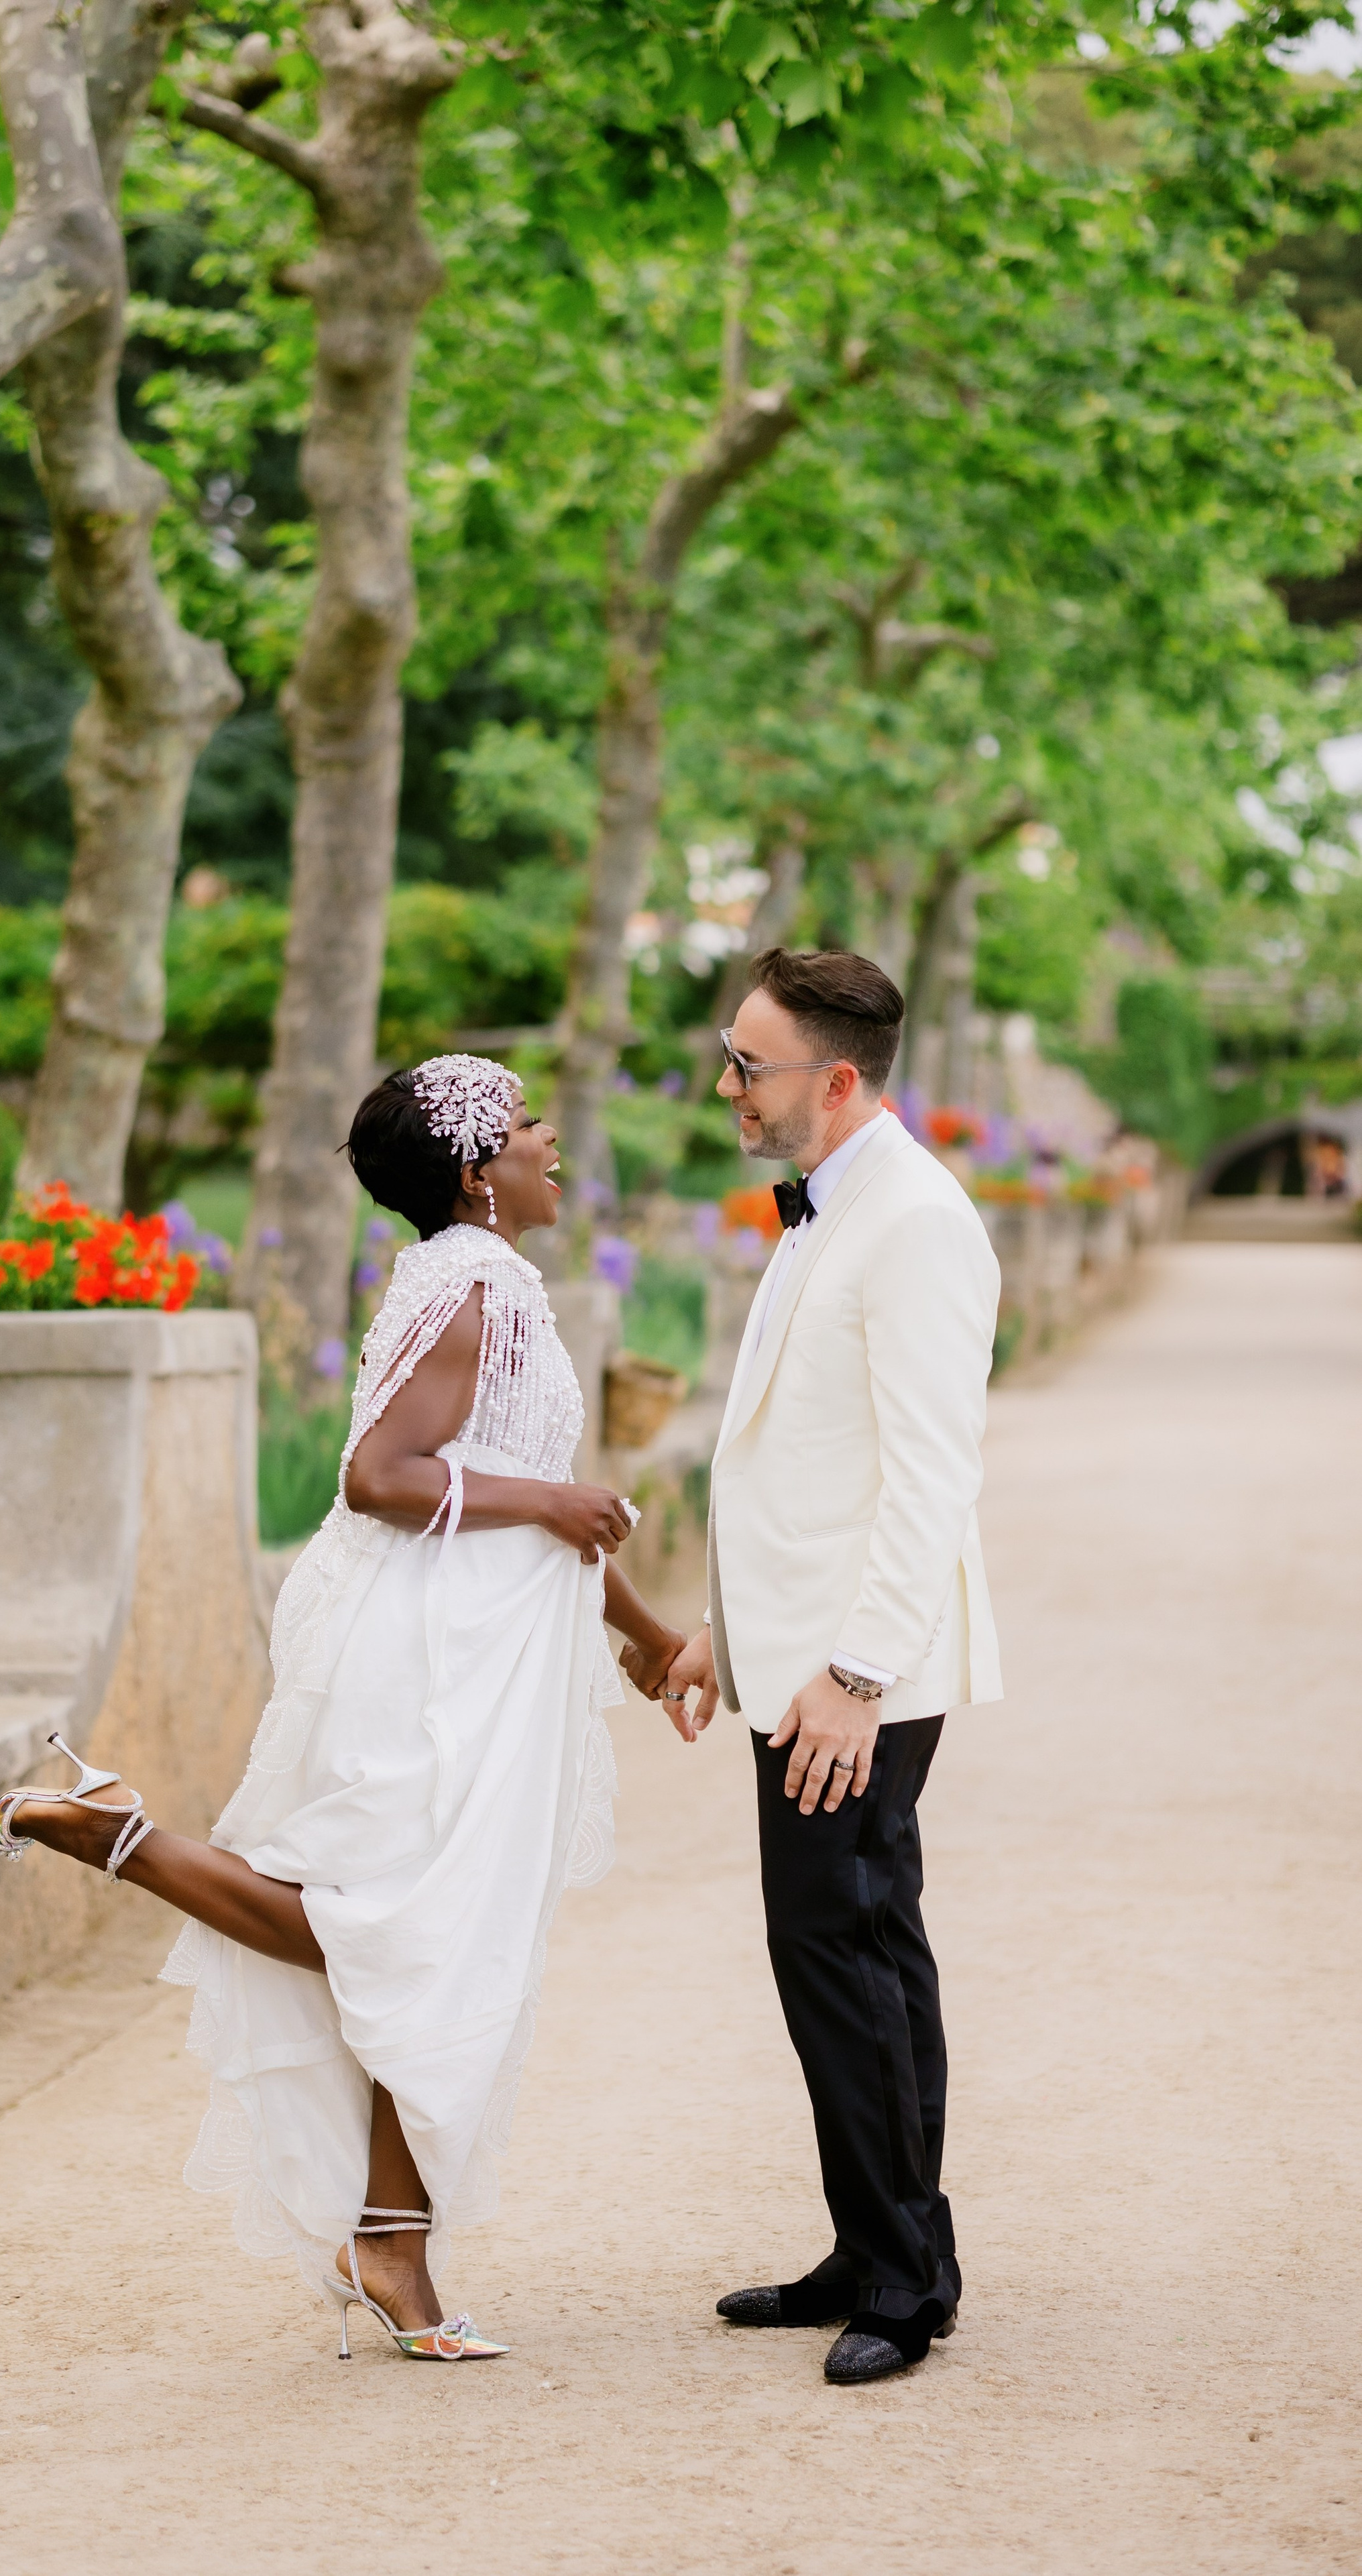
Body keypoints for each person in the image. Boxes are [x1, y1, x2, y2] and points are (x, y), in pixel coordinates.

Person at [0, 1056, 685, 2363]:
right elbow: (380, 1476)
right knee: (414, 1934)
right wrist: (555, 1514)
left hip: (476, 1638)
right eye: (527, 1125)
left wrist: (644, 1638)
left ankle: (393, 2243)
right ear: (476, 1170)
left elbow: (534, 1484)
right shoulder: (475, 1289)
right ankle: (119, 1836)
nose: (551, 1143)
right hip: (440, 1655)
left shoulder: (471, 1280)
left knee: (438, 1942)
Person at [661, 948, 1003, 2386]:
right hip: (796, 1653)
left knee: (835, 1950)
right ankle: (877, 2240)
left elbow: (930, 1474)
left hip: (856, 1676)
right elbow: (785, 1462)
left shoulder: (916, 1222)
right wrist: (719, 1633)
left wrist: (851, 1676)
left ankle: (903, 2282)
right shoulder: (824, 1212)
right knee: (864, 1949)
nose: (725, 1085)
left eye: (750, 1064)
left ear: (840, 1078)